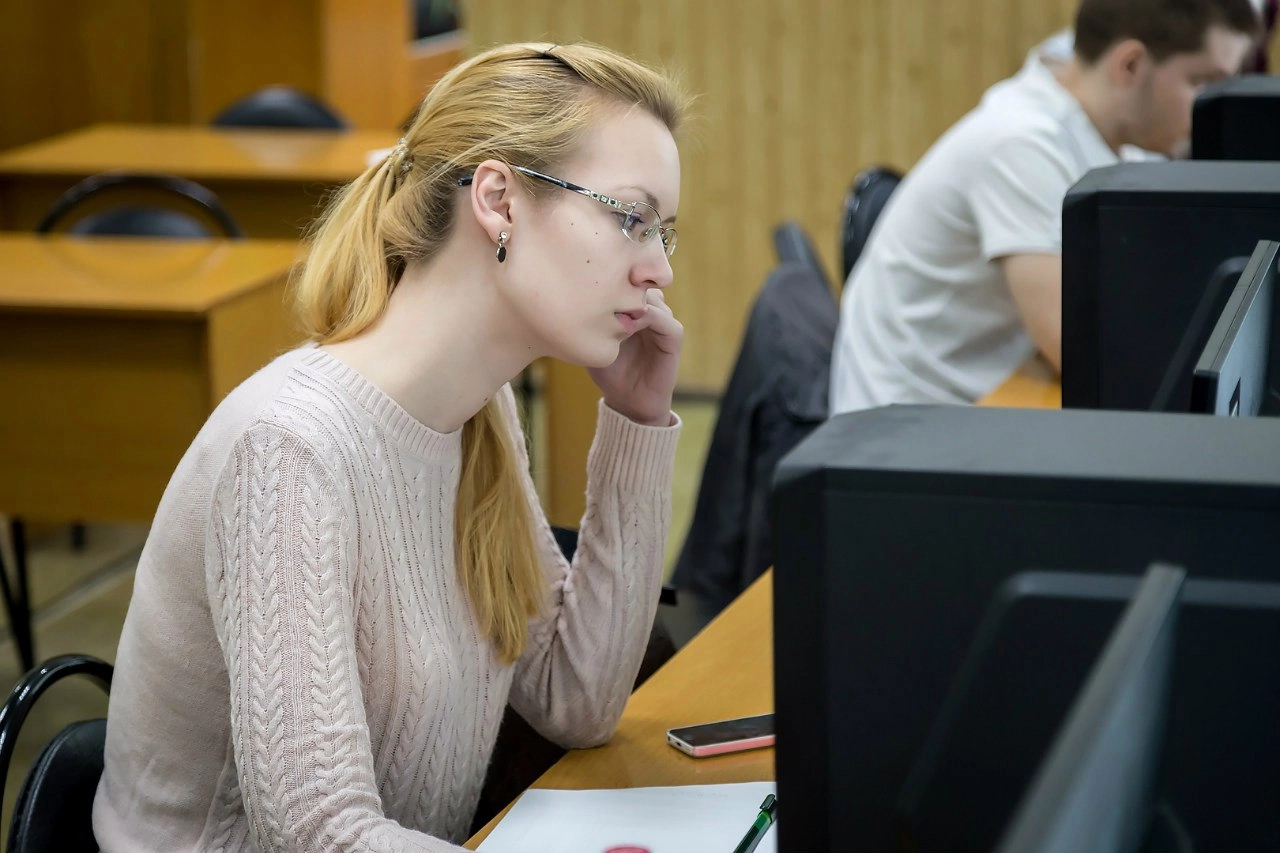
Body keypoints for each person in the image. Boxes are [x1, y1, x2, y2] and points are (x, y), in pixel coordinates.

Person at [93, 42, 688, 852]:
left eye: (663, 233)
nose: (658, 269)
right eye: (631, 218)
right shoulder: (291, 451)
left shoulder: (479, 413)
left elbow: (574, 701)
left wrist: (637, 423)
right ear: (499, 201)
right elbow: (320, 833)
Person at [829, 0, 1260, 414]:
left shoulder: (1116, 139)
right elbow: (1084, 354)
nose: (1211, 105)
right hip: (905, 429)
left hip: (984, 400)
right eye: (1203, 82)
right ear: (1129, 64)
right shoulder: (1019, 145)